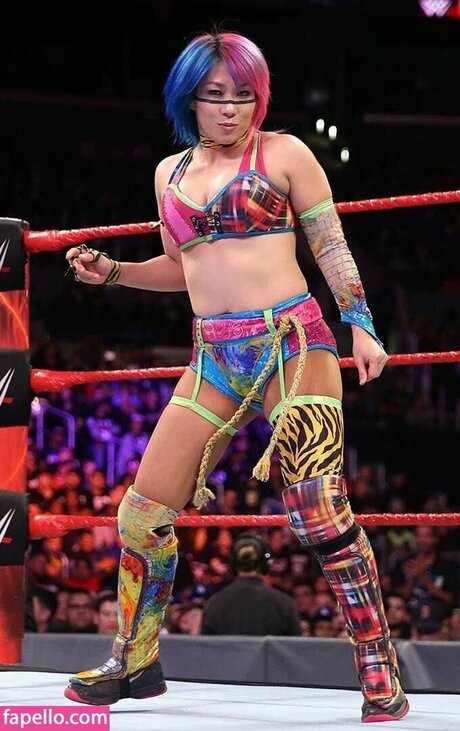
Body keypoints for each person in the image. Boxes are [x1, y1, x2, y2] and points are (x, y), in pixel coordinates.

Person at [62, 29, 408, 722]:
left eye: (244, 95)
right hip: (214, 356)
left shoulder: (285, 153)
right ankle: (135, 657)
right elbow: (181, 267)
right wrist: (115, 273)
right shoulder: (169, 173)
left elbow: (329, 243)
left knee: (317, 508)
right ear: (188, 98)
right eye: (215, 95)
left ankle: (377, 659)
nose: (230, 108)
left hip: (291, 342)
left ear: (260, 97)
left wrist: (361, 322)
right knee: (141, 513)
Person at [201, 533, 301, 636]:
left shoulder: (214, 604)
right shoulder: (285, 604)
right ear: (265, 564)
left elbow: (206, 645)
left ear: (233, 563)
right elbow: (294, 645)